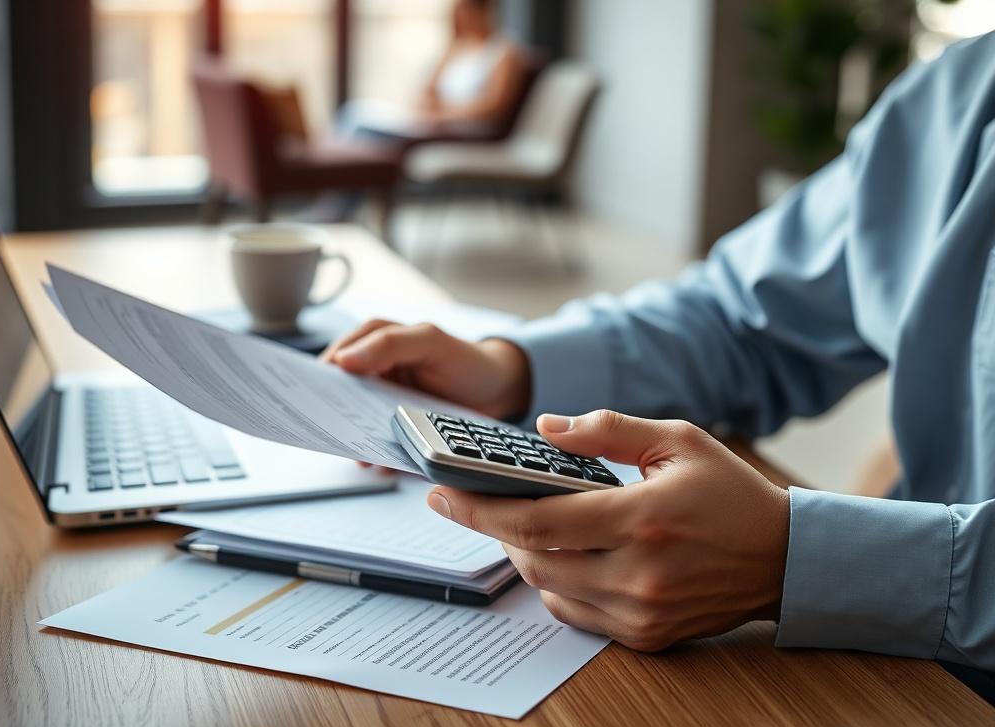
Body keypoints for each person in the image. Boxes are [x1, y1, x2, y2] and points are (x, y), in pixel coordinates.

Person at [324, 33, 995, 676]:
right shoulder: (960, 94)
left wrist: (802, 563)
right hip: (897, 676)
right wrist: (514, 371)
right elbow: (742, 317)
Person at [336, 0, 525, 143]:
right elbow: (426, 92)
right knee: (355, 112)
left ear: (484, 11)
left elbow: (494, 107)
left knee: (362, 130)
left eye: (465, 10)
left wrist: (445, 115)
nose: (461, 17)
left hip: (460, 127)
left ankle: (341, 186)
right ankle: (341, 185)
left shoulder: (503, 49)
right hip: (430, 121)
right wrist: (450, 48)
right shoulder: (458, 49)